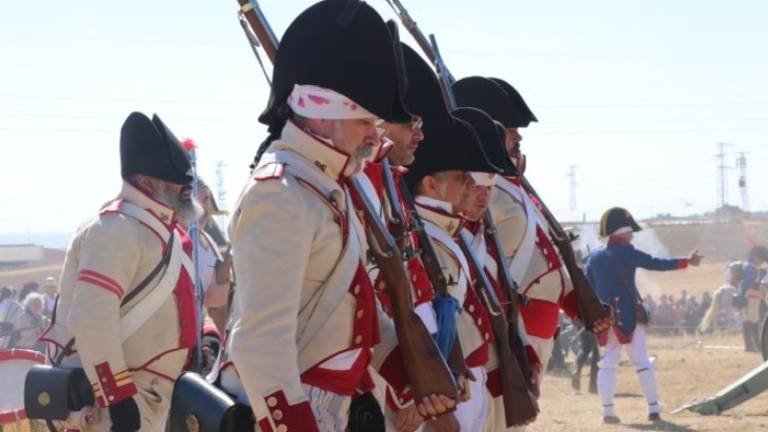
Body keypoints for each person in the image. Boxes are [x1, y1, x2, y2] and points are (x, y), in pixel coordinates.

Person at [222, 2, 450, 431]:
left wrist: (406, 373)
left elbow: (357, 306)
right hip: (291, 405)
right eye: (364, 120)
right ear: (324, 116)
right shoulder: (281, 193)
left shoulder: (327, 187)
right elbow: (259, 343)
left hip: (332, 398)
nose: (373, 135)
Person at [39, 111, 199, 431]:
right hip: (114, 403)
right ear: (147, 182)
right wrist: (118, 397)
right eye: (175, 182)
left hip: (151, 397)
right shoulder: (115, 230)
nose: (185, 188)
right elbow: (90, 318)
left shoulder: (157, 231)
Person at [451, 76, 611, 382]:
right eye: (510, 134)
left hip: (532, 338)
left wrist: (579, 304)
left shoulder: (514, 189)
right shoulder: (483, 189)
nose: (517, 141)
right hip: (503, 337)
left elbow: (546, 260)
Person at [403, 105, 506, 431]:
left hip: (457, 380)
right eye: (461, 178)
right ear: (431, 185)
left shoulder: (444, 234)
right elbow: (417, 321)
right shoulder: (425, 237)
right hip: (432, 392)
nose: (470, 187)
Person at [586, 207, 702, 424]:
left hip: (603, 318)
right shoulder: (628, 252)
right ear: (621, 233)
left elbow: (588, 287)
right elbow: (657, 263)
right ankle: (654, 409)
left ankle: (608, 412)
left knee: (608, 363)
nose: (631, 236)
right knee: (642, 363)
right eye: (629, 232)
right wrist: (686, 261)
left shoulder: (593, 256)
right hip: (628, 315)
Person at [737, 246, 768, 351]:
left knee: (754, 321)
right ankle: (749, 346)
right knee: (749, 321)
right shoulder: (750, 268)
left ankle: (756, 344)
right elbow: (749, 284)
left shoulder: (751, 268)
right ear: (755, 258)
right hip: (750, 296)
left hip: (753, 296)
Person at [699, 262, 742, 333]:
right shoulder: (735, 271)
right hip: (733, 285)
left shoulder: (727, 271)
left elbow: (728, 280)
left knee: (715, 310)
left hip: (725, 286)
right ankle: (732, 328)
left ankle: (715, 328)